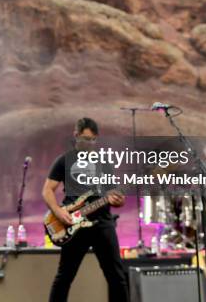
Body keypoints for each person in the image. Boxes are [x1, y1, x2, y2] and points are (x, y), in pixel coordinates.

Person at [42, 117, 128, 302]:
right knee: (64, 277)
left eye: (92, 140)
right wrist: (58, 212)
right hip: (73, 224)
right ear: (75, 136)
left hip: (102, 224)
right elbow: (47, 190)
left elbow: (113, 195)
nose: (89, 143)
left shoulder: (104, 163)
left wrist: (117, 200)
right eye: (84, 139)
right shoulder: (64, 160)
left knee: (117, 277)